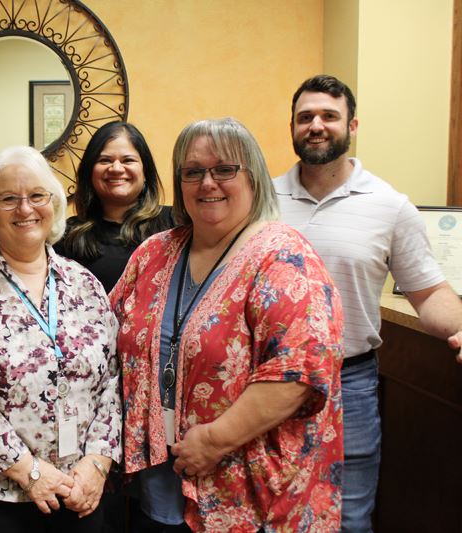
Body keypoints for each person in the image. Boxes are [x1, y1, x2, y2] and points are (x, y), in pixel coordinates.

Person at [111, 118, 344, 532]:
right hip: (157, 483)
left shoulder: (283, 257)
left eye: (224, 169)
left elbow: (300, 369)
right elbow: (104, 333)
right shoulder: (155, 252)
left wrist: (215, 441)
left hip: (244, 489)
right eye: (193, 171)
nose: (207, 183)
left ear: (253, 177)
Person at [273, 74, 462, 532]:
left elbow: (430, 292)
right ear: (293, 127)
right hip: (269, 382)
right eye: (305, 117)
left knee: (349, 515)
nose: (316, 125)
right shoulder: (263, 198)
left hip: (350, 382)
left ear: (352, 126)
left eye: (329, 116)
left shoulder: (390, 206)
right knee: (272, 508)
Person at [0, 146, 121, 532]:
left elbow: (114, 378)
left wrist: (97, 462)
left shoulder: (84, 283)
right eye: (8, 199)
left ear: (54, 204)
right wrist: (28, 471)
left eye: (36, 196)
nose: (25, 209)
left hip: (80, 491)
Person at [55, 121, 174, 293]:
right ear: (89, 172)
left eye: (128, 160)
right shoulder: (67, 236)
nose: (116, 168)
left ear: (145, 172)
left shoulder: (175, 224)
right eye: (105, 160)